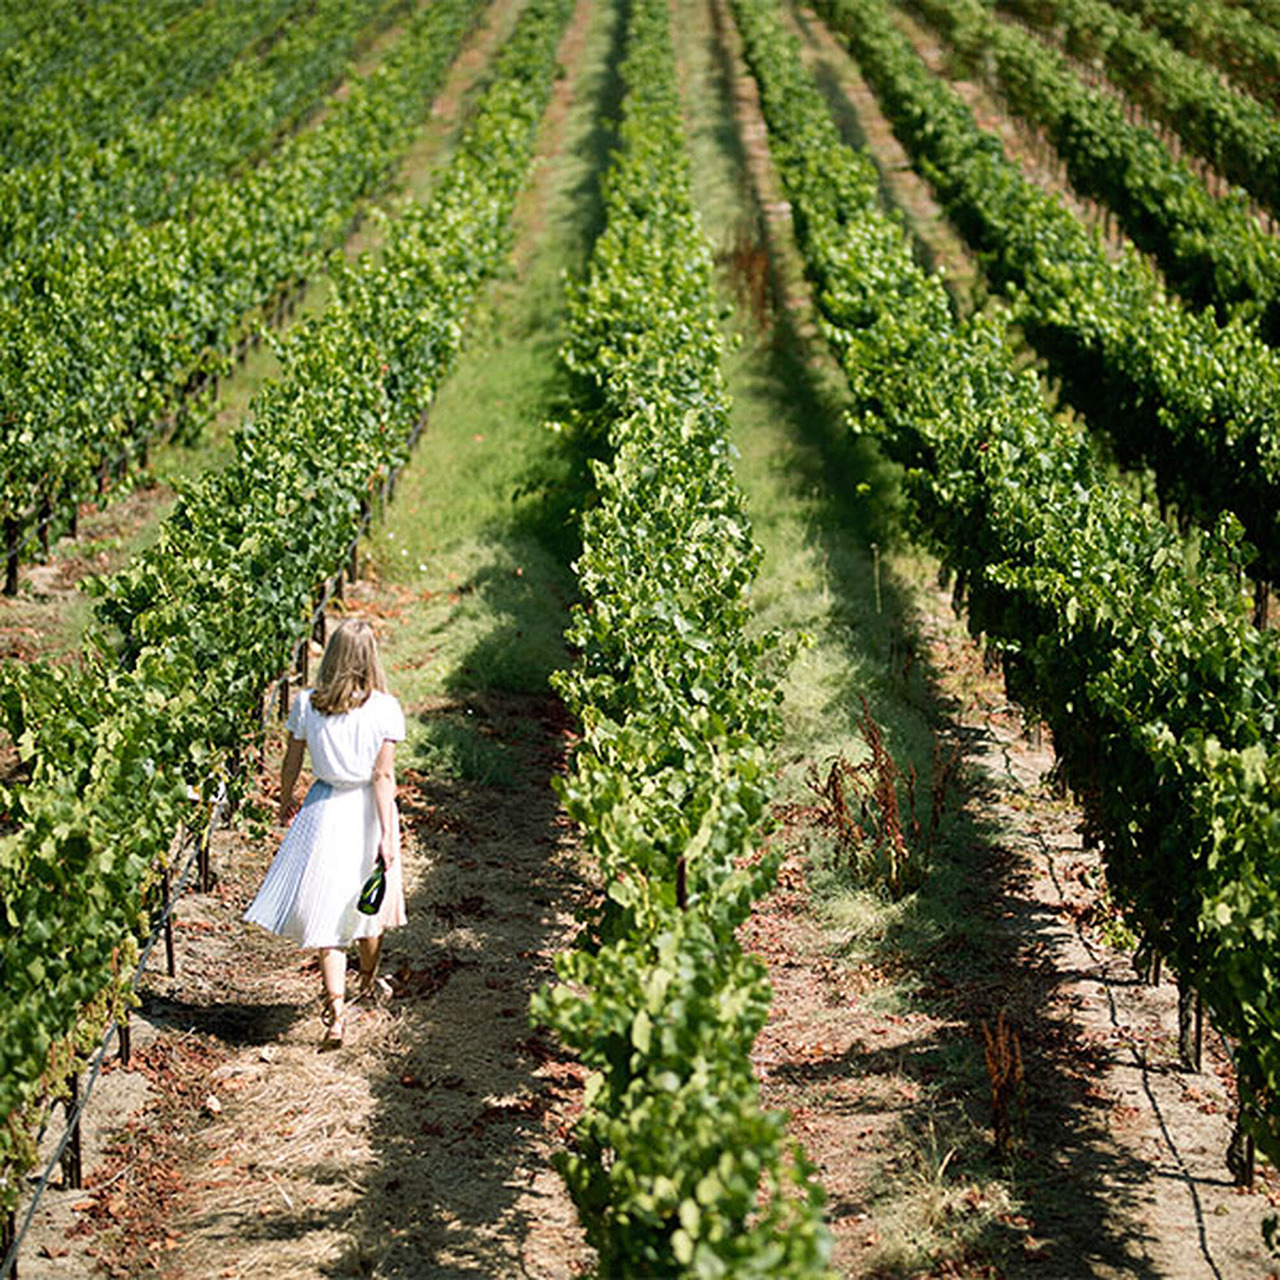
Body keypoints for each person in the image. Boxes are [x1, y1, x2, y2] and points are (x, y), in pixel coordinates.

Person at [244, 618, 408, 1048]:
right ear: (371, 657)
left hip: (322, 807)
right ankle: (367, 985)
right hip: (366, 812)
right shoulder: (384, 708)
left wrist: (284, 802)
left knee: (325, 915)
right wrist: (387, 834)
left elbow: (291, 762)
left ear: (332, 655)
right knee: (369, 905)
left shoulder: (306, 704)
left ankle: (336, 1014)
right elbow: (382, 775)